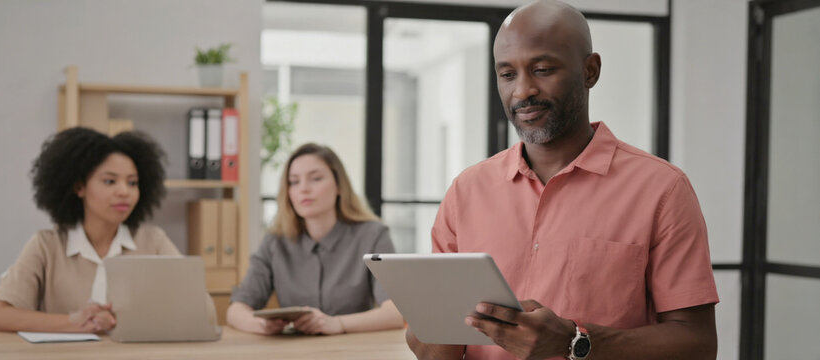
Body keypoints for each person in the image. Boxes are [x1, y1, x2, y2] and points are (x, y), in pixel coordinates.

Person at [406, 1, 720, 359]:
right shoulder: (466, 191)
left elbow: (697, 345)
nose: (522, 91)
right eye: (507, 74)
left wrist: (576, 341)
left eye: (541, 69)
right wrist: (429, 331)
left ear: (590, 70)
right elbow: (435, 347)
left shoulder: (662, 189)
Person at [0, 127, 181, 333]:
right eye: (110, 181)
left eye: (132, 182)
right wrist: (76, 322)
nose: (124, 191)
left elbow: (202, 309)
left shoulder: (153, 241)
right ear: (79, 187)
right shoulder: (46, 245)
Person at [227, 143, 404, 336]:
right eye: (294, 182)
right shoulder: (274, 242)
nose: (303, 189)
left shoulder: (373, 235)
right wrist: (261, 325)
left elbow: (396, 313)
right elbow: (236, 311)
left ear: (339, 186)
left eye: (316, 178)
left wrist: (338, 323)